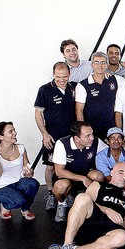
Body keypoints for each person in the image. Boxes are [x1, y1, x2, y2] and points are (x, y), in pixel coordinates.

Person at [47, 163, 125, 249]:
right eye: (120, 172)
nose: (124, 177)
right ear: (112, 173)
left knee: (122, 237)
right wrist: (107, 210)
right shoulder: (98, 185)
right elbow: (84, 204)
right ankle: (67, 245)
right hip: (92, 220)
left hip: (109, 229)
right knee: (82, 197)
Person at [0, 122, 39, 220]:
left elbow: (30, 174)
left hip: (18, 182)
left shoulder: (21, 148)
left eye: (14, 130)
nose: (15, 133)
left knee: (33, 183)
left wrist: (28, 173)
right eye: (11, 131)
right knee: (19, 200)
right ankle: (5, 207)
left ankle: (25, 210)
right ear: (1, 137)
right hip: (1, 187)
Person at [35, 62, 77, 210]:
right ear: (53, 74)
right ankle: (51, 194)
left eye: (65, 76)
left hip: (71, 137)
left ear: (69, 75)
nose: (62, 79)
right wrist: (44, 134)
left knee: (69, 166)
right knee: (51, 167)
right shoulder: (45, 90)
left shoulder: (74, 87)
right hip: (52, 137)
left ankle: (67, 193)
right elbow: (38, 113)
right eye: (59, 76)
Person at [51, 122, 108, 222]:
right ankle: (62, 203)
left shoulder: (96, 142)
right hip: (67, 176)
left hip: (87, 173)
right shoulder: (62, 144)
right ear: (77, 138)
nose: (92, 138)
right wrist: (82, 178)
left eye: (92, 134)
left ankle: (90, 205)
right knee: (61, 186)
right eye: (87, 136)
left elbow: (112, 151)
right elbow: (59, 171)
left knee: (98, 176)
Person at [76, 52, 125, 140]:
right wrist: (83, 132)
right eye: (96, 62)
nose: (99, 65)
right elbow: (79, 111)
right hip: (92, 131)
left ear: (107, 65)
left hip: (111, 130)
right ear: (92, 64)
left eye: (103, 62)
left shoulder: (116, 80)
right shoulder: (82, 85)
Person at [95, 127, 125, 196]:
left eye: (119, 138)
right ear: (107, 141)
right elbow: (107, 177)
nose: (116, 141)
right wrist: (124, 185)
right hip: (110, 187)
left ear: (123, 141)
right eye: (113, 138)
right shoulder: (100, 156)